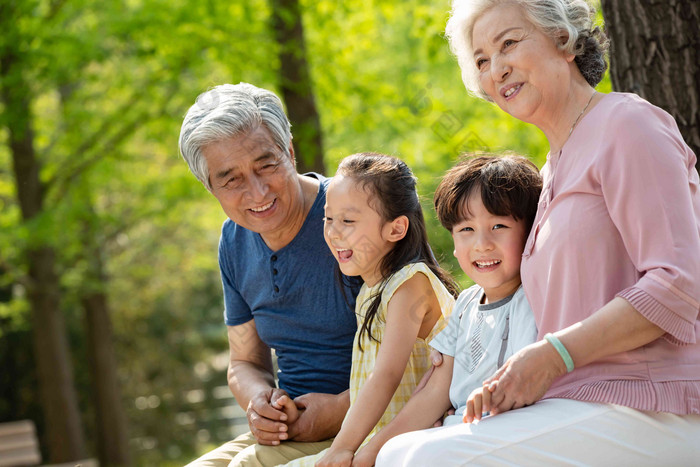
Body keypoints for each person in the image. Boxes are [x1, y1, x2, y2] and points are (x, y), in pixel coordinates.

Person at [376, 0, 700, 465]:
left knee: (416, 460)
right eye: (482, 60)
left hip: (654, 400)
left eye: (509, 43)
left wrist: (552, 357)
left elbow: (678, 286)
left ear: (563, 40)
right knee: (398, 449)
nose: (497, 68)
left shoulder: (627, 124)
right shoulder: (548, 172)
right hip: (574, 404)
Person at [178, 83, 358, 466]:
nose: (257, 191)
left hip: (368, 420)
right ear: (210, 187)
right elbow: (245, 362)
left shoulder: (353, 211)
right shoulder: (233, 242)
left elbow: (423, 344)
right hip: (292, 427)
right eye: (231, 179)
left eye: (266, 165)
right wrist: (259, 402)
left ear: (289, 153)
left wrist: (342, 407)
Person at [349, 154, 541, 466]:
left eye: (499, 225)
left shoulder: (534, 299)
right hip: (459, 432)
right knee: (392, 455)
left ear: (530, 232)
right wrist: (369, 454)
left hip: (505, 434)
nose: (482, 243)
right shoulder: (466, 304)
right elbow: (433, 393)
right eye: (466, 229)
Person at [279, 152, 459, 467]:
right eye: (328, 218)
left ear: (396, 229)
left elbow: (386, 375)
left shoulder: (410, 285)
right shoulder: (370, 290)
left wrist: (341, 449)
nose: (333, 233)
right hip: (372, 445)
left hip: (401, 449)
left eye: (347, 221)